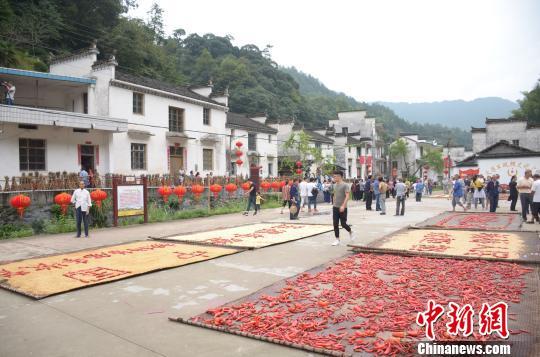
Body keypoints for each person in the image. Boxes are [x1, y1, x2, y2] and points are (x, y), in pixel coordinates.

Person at [331, 170, 354, 246]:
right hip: (335, 207)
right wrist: (334, 203)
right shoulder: (334, 185)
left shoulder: (345, 185)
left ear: (339, 176)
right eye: (333, 176)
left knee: (343, 224)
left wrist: (343, 206)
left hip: (343, 207)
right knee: (335, 224)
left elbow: (347, 196)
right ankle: (337, 239)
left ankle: (350, 231)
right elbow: (334, 194)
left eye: (335, 176)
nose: (334, 178)